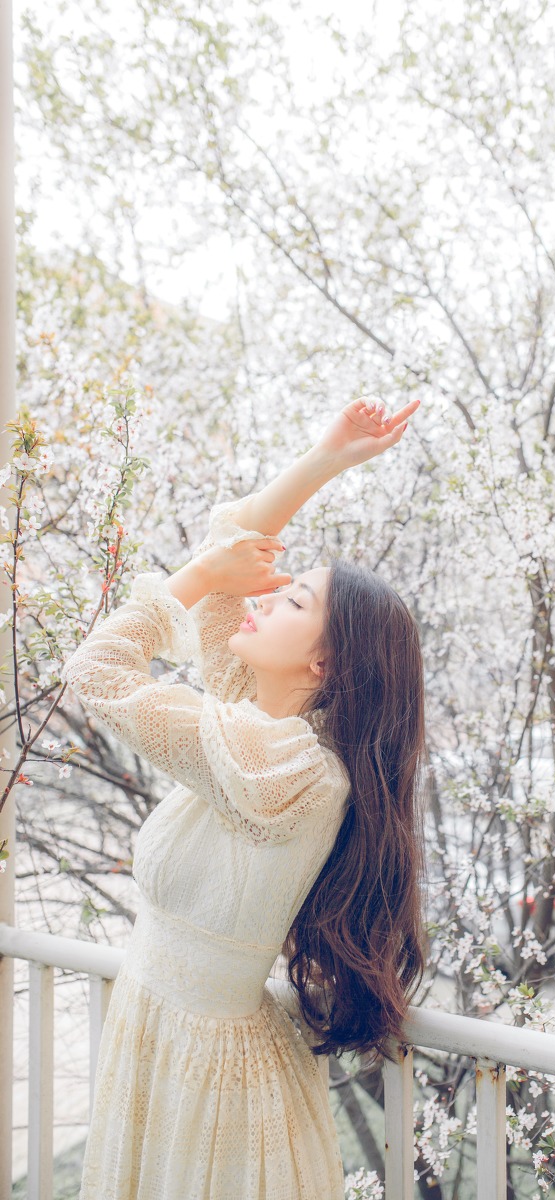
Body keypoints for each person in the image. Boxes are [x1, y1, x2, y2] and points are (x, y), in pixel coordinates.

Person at [62, 395, 428, 1200]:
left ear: (325, 666)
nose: (264, 598)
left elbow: (96, 672)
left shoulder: (278, 764)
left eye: (294, 602)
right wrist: (325, 460)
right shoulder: (258, 724)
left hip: (211, 1079)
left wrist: (193, 580)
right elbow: (236, 544)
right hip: (171, 1041)